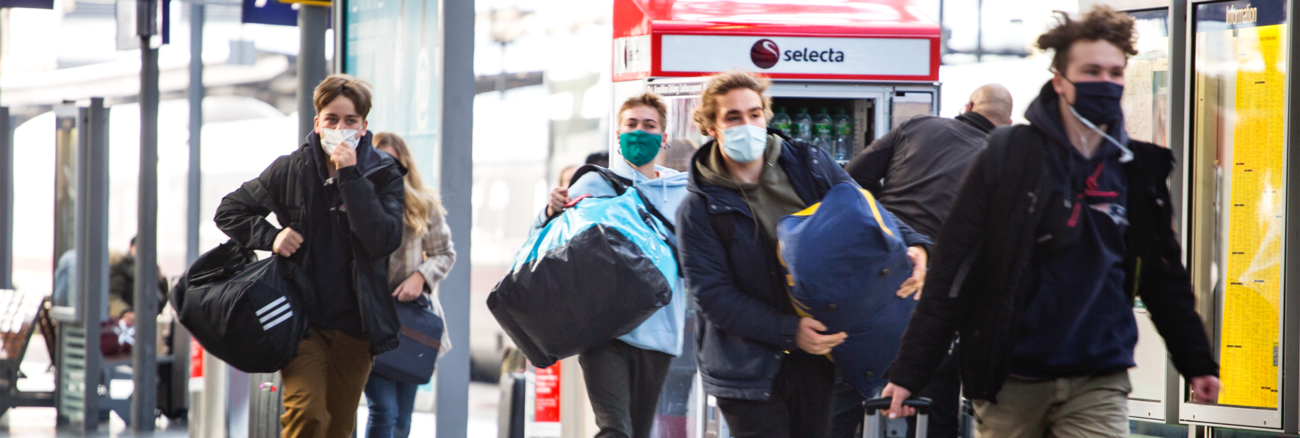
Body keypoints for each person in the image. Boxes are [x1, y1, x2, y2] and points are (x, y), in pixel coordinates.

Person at [879, 7, 1220, 437]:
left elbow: (1162, 276)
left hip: (1099, 377)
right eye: (1091, 70)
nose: (1106, 82)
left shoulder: (1136, 168)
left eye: (1116, 72)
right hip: (1011, 378)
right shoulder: (1010, 155)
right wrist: (911, 370)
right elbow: (953, 267)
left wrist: (1196, 363)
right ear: (1060, 79)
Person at [675, 70, 931, 438]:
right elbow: (714, 297)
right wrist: (790, 331)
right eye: (732, 117)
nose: (746, 124)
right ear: (712, 128)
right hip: (748, 368)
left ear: (765, 116)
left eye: (754, 114)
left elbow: (868, 212)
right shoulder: (698, 208)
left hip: (819, 358)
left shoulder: (808, 164)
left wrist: (915, 244)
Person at [215, 74, 406, 438]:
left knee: (337, 425)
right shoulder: (292, 169)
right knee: (308, 415)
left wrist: (350, 175)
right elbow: (230, 211)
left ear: (364, 127)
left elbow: (384, 240)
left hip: (357, 325)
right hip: (302, 321)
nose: (340, 128)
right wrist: (272, 236)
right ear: (317, 123)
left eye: (350, 121)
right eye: (331, 119)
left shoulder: (383, 173)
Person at [835, 84, 1013, 438]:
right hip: (935, 292)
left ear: (968, 105)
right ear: (1007, 123)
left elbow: (851, 182)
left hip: (874, 278)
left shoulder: (917, 126)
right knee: (933, 404)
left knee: (847, 393)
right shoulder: (1001, 160)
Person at [535, 93, 688, 438]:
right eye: (631, 125)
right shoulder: (593, 183)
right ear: (617, 136)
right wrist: (550, 213)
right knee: (614, 430)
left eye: (649, 126)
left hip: (659, 333)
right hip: (602, 331)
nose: (639, 132)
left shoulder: (681, 191)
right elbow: (548, 244)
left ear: (663, 137)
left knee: (638, 431)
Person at [363, 132, 456, 438]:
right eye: (380, 160)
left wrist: (420, 277)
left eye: (393, 162)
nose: (386, 168)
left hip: (409, 324)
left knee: (403, 417)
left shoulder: (421, 204)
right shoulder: (357, 200)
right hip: (369, 322)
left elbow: (445, 253)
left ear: (405, 165)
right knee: (384, 409)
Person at [108, 236, 169, 327]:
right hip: (127, 323)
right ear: (131, 247)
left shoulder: (150, 269)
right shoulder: (122, 266)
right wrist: (124, 312)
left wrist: (161, 282)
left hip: (144, 324)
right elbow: (112, 295)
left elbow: (158, 306)